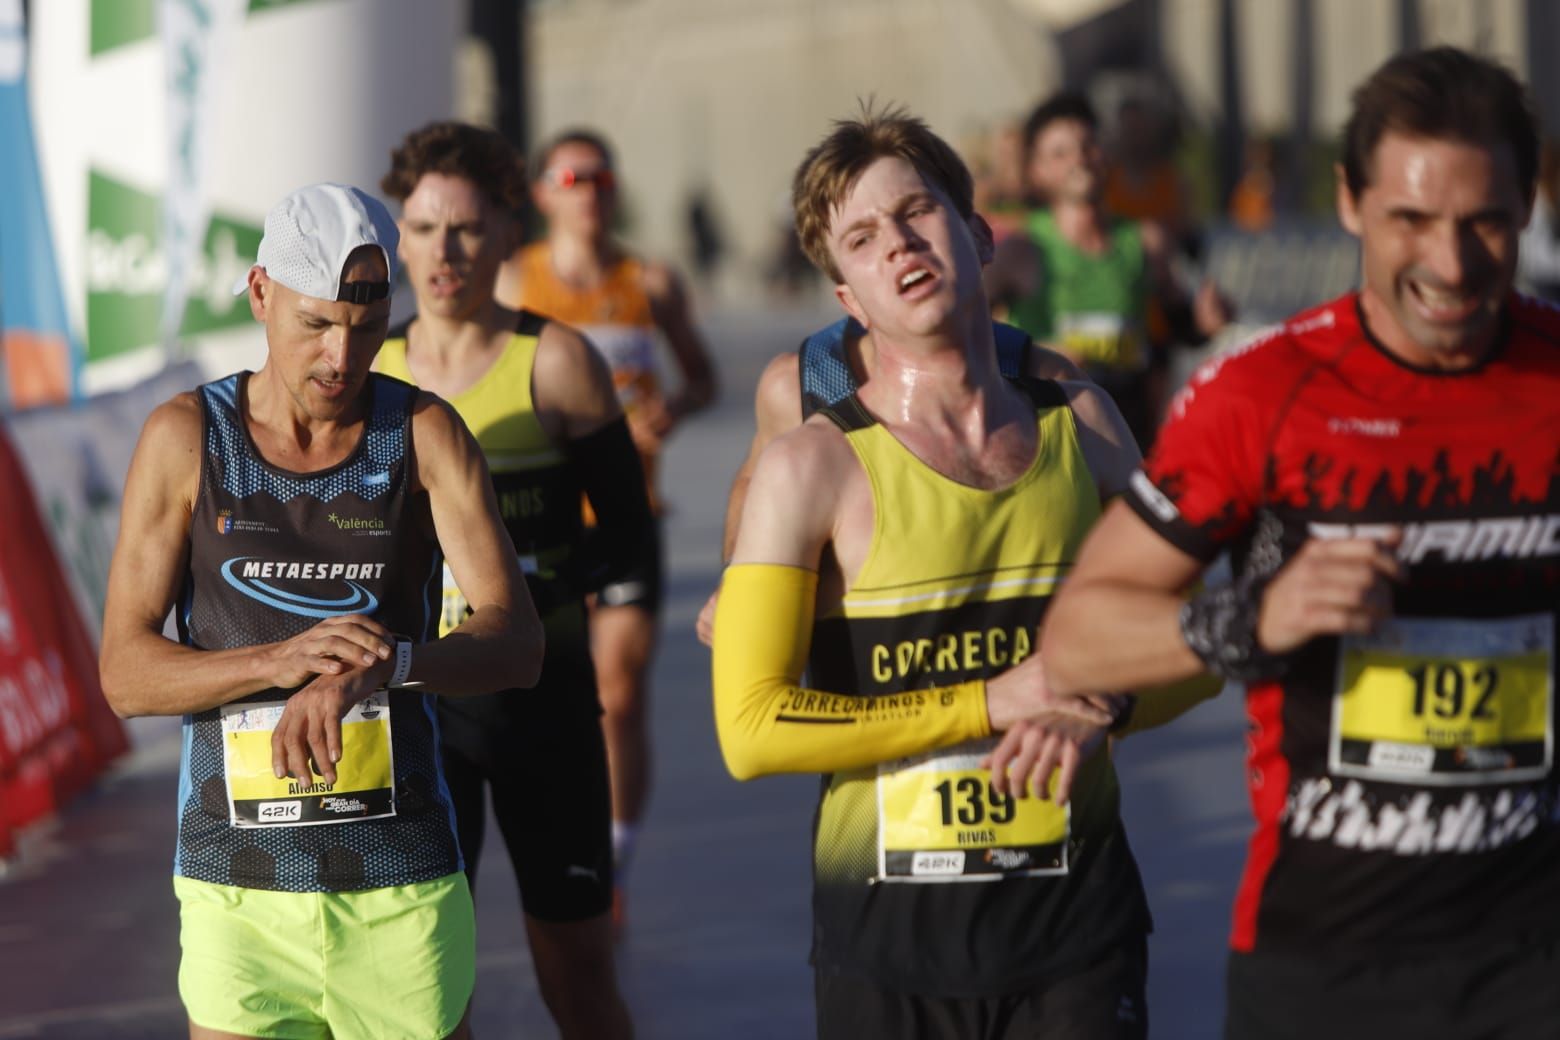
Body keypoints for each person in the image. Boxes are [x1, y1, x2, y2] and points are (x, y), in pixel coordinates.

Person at [1039, 47, 1560, 1038]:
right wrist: (1255, 616)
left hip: (1536, 958)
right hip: (1323, 960)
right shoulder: (1263, 393)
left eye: (1484, 221)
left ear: (1528, 206)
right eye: (1412, 219)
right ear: (1351, 202)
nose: (1451, 265)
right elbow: (1078, 636)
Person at [713, 105, 1167, 1039]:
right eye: (864, 238)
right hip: (889, 944)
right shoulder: (811, 463)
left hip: (1079, 928)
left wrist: (1105, 705)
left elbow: (1193, 632)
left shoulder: (1076, 421)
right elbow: (750, 732)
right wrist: (987, 704)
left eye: (919, 213)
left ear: (980, 231)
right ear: (847, 297)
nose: (901, 246)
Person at [98, 182, 545, 1040]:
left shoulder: (424, 433)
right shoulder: (185, 437)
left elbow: (516, 641)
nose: (344, 354)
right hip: (238, 884)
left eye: (367, 324)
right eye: (317, 324)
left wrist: (397, 662)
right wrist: (279, 661)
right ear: (261, 294)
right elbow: (124, 674)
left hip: (398, 883)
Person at [378, 121, 642, 1038]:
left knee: (575, 978)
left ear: (504, 231)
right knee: (427, 990)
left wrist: (541, 596)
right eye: (421, 229)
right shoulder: (374, 375)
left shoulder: (558, 361)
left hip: (546, 716)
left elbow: (630, 534)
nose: (442, 252)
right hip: (423, 724)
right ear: (398, 238)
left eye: (465, 228)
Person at [496, 130, 716, 917]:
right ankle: (562, 845)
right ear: (544, 192)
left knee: (620, 691)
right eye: (571, 175)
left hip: (628, 513)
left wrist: (672, 407)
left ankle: (613, 861)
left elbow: (703, 378)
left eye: (600, 175)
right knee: (553, 688)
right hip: (542, 518)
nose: (588, 188)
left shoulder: (648, 280)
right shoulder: (512, 278)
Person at [986, 91, 1232, 450]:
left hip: (1127, 434)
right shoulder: (1022, 250)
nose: (1080, 160)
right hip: (1050, 439)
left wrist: (1204, 322)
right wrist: (1036, 354)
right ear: (1036, 171)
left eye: (1088, 145)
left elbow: (1181, 326)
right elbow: (966, 327)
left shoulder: (1146, 241)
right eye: (1060, 152)